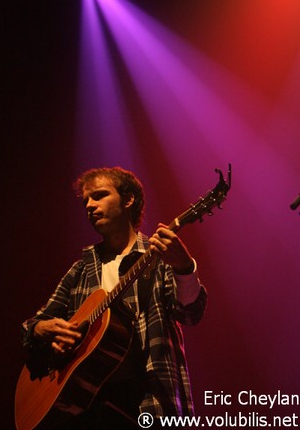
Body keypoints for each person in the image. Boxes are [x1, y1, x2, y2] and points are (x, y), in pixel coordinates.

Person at [20, 167, 207, 429]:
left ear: (128, 199)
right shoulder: (82, 269)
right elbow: (33, 325)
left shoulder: (157, 257)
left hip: (150, 402)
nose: (89, 206)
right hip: (87, 409)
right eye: (86, 201)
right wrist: (45, 329)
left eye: (98, 196)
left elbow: (190, 313)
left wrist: (185, 268)